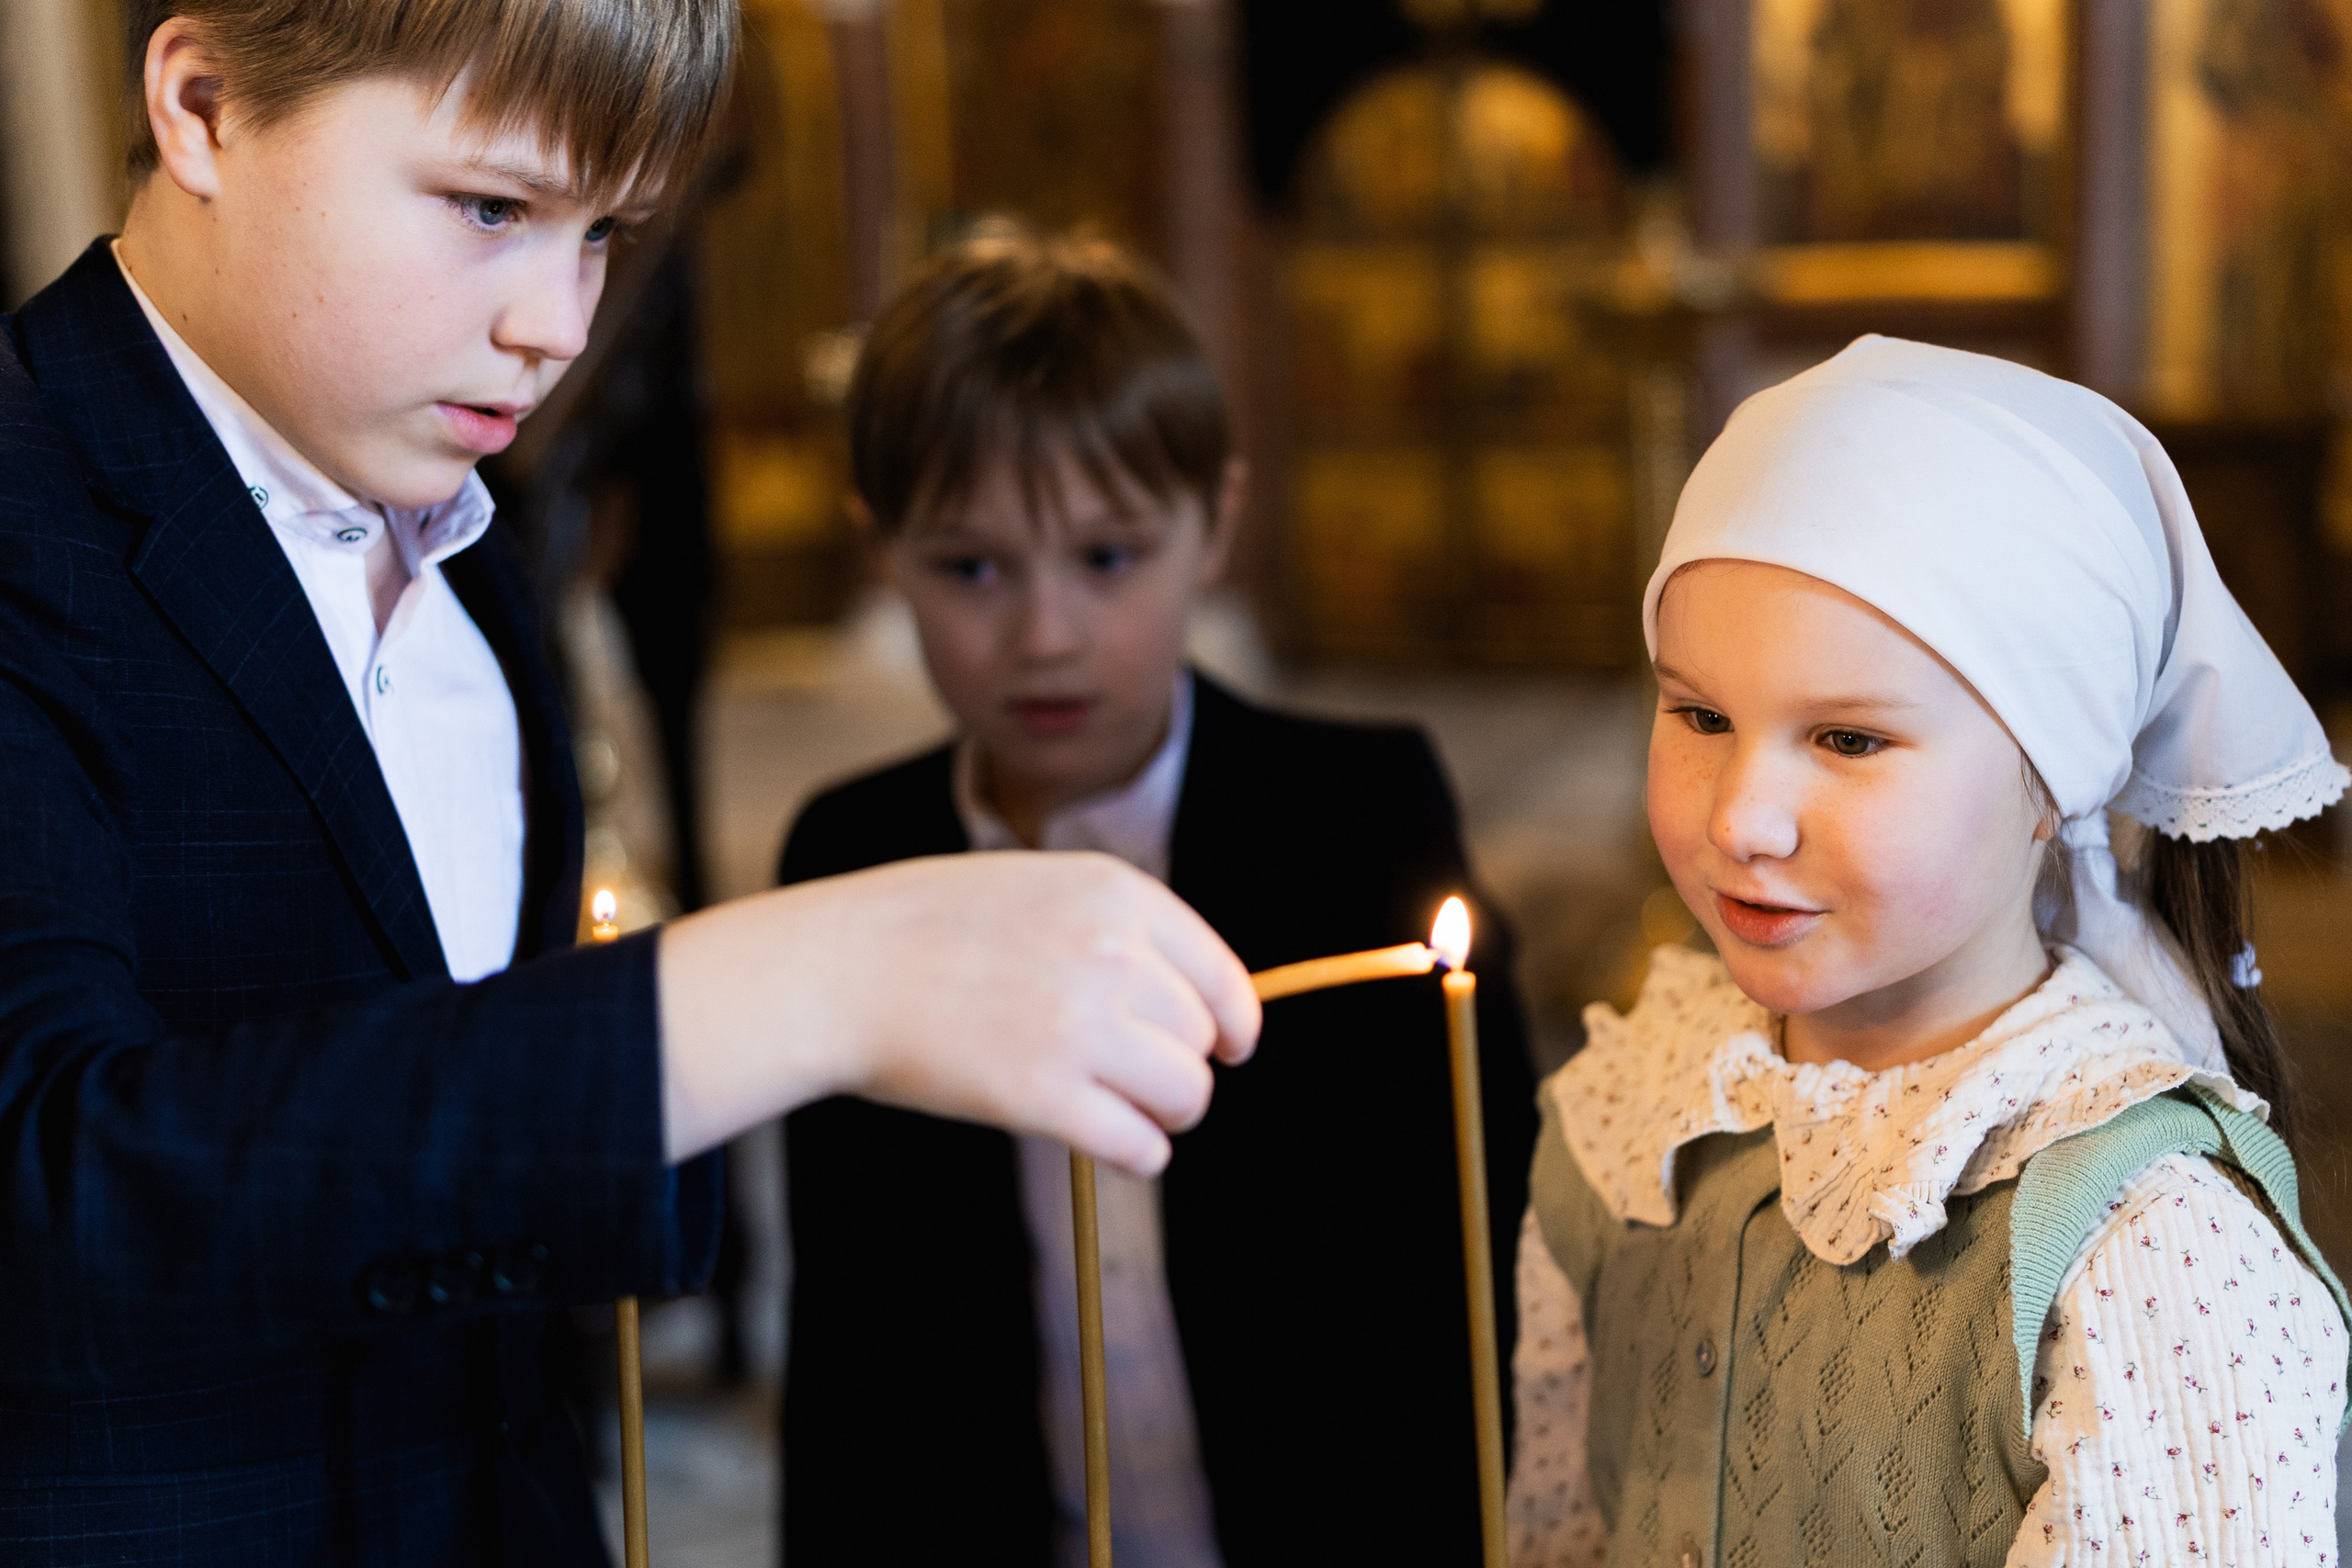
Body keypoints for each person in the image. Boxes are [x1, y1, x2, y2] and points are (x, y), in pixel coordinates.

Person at [0, 7, 1260, 1562]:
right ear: (202, 107)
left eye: (602, 231)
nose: (560, 324)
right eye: (491, 208)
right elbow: (49, 1188)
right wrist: (779, 989)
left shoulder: (475, 560)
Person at [1506, 335, 2352, 1567]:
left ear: (2048, 782)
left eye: (1847, 740)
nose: (1742, 818)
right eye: (1699, 714)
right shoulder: (1633, 1118)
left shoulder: (2145, 1253)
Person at [775, 230, 1539, 1568]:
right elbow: (856, 1336)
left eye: (1109, 557)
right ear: (880, 553)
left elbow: (1475, 1253)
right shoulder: (851, 858)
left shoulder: (1360, 820)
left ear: (1216, 526)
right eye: (971, 568)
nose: (1046, 634)